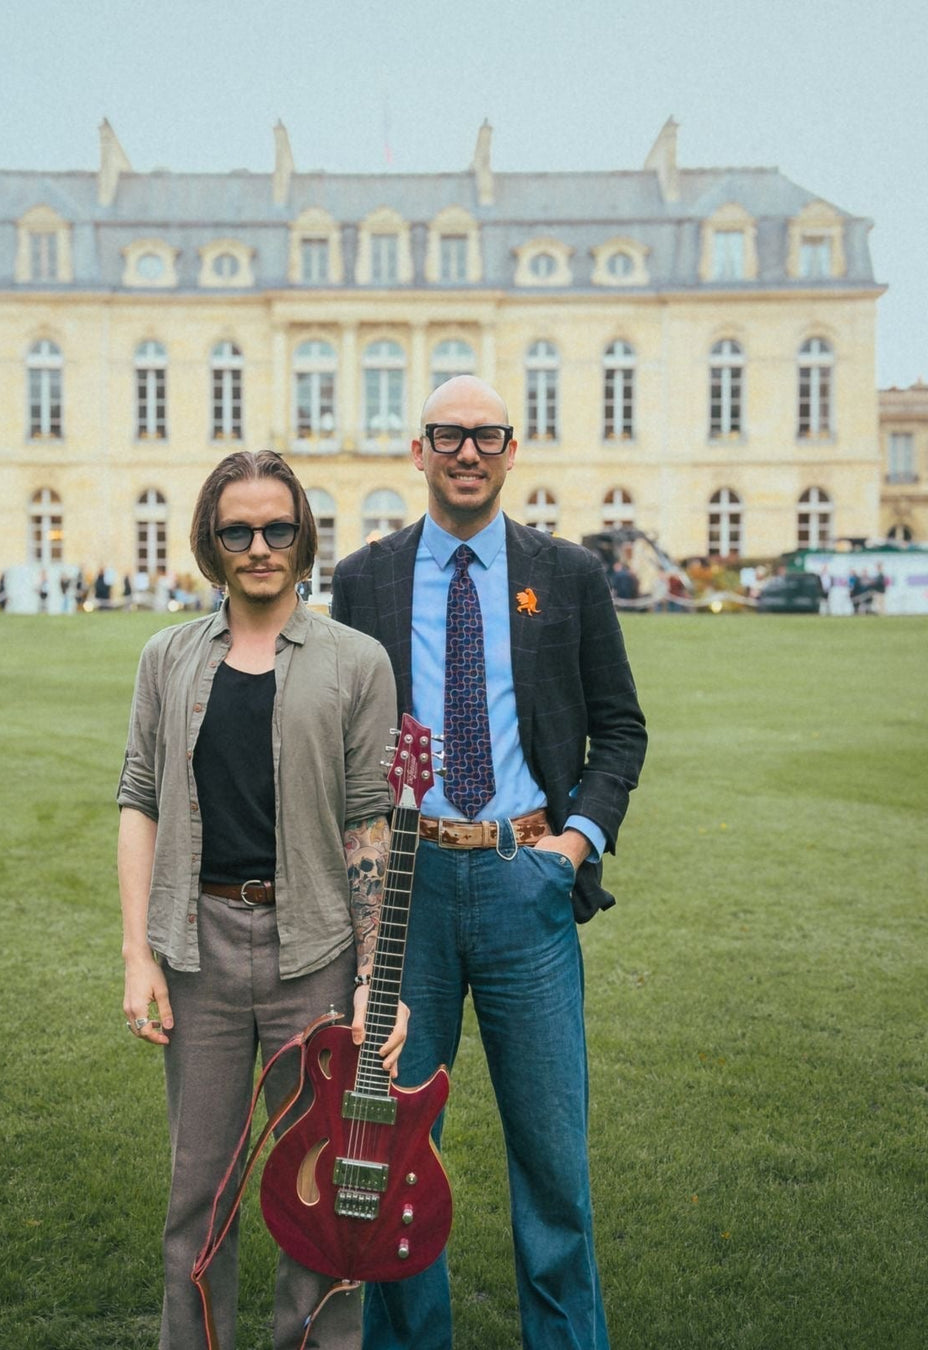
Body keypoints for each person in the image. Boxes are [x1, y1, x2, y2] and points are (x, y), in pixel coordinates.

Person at [332, 376, 647, 1350]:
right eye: (447, 435)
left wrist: (569, 848)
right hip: (408, 900)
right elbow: (349, 745)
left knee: (553, 1164)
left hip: (526, 884)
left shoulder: (568, 574)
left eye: (486, 435)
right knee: (388, 1153)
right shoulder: (365, 578)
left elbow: (620, 731)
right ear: (416, 452)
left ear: (513, 451)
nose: (467, 452)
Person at [117, 450, 407, 1350]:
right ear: (212, 539)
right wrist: (138, 954)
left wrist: (373, 978)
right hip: (196, 951)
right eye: (238, 530)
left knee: (319, 1190)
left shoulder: (355, 662)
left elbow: (369, 827)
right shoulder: (168, 657)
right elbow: (138, 798)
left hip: (310, 950)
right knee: (197, 1199)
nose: (259, 547)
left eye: (277, 528)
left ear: (302, 535)